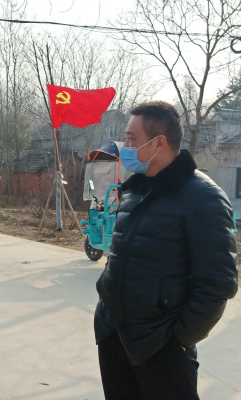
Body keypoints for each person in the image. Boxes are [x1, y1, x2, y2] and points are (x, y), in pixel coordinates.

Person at [94, 101, 238, 399]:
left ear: (158, 143)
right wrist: (105, 311)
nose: (125, 147)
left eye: (131, 139)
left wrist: (180, 340)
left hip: (161, 346)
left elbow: (217, 284)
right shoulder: (134, 190)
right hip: (114, 334)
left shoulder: (204, 198)